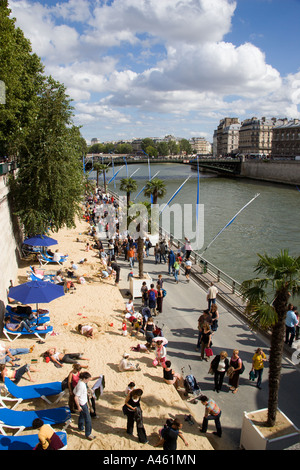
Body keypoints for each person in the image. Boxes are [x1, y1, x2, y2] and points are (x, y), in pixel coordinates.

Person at [73, 371, 95, 440]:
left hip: (83, 402)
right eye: (88, 379)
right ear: (85, 379)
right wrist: (79, 406)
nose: (89, 380)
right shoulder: (82, 386)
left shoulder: (81, 381)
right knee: (88, 419)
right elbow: (76, 397)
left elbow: (90, 379)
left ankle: (80, 427)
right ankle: (88, 434)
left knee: (82, 415)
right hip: (82, 403)